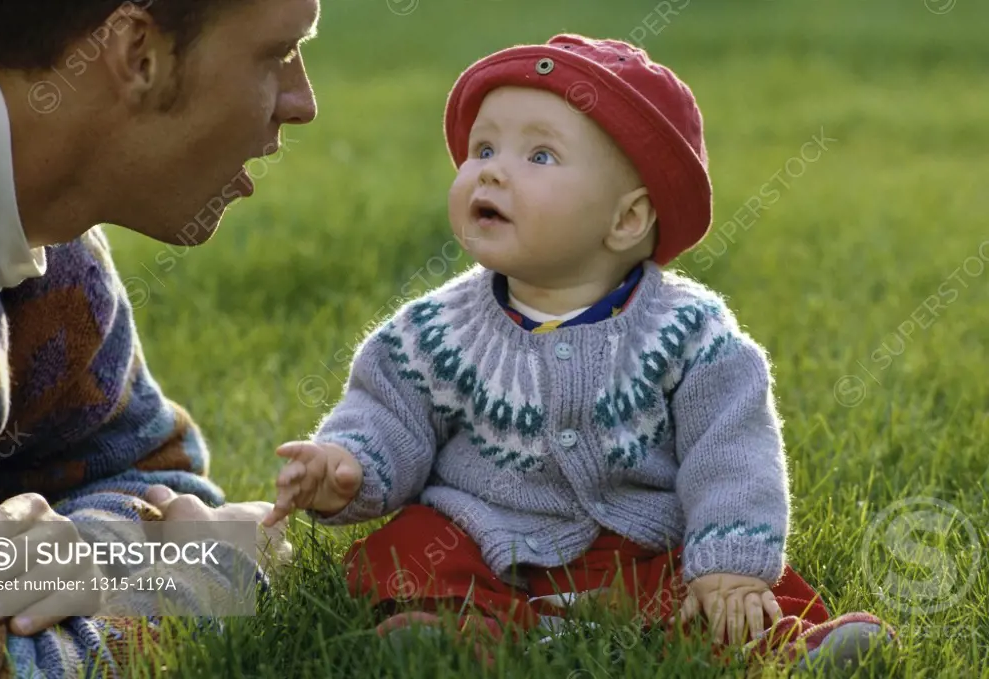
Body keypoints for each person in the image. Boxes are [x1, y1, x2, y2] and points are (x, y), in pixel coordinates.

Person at [264, 34, 894, 671]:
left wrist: (731, 564)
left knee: (732, 585)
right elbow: (387, 415)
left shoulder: (690, 335)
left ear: (625, 220)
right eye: (484, 148)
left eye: (539, 154)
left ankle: (785, 645)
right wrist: (346, 467)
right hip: (488, 540)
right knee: (410, 549)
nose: (490, 170)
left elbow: (731, 451)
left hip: (638, 550)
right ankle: (459, 636)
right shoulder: (432, 333)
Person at [0, 0, 319, 675]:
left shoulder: (53, 246)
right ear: (138, 54)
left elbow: (149, 471)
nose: (302, 103)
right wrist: (202, 585)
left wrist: (82, 556)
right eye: (277, 55)